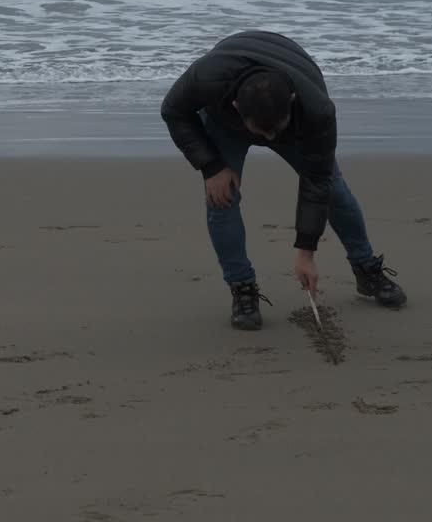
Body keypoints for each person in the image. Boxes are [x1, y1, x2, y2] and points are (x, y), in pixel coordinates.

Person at [160, 30, 407, 330]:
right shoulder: (206, 77)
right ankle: (242, 289)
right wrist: (210, 167)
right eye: (262, 133)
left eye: (275, 131)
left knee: (335, 191)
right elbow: (173, 111)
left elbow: (317, 182)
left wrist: (306, 253)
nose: (270, 140)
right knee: (222, 199)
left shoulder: (317, 110)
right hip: (225, 125)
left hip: (297, 124)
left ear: (291, 100)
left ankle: (366, 269)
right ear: (237, 108)